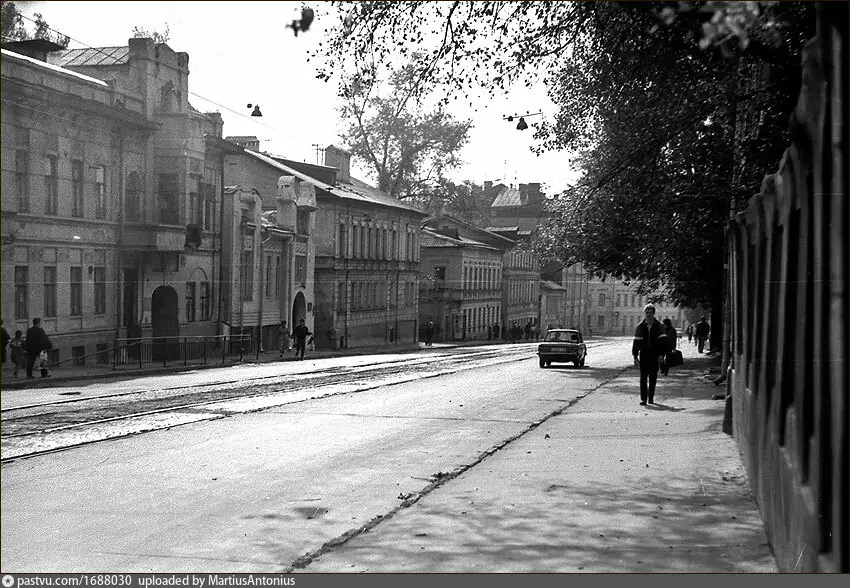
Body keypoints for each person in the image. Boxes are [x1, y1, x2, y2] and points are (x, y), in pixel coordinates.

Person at [632, 304, 668, 405]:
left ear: (653, 313)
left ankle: (651, 398)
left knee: (653, 377)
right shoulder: (640, 326)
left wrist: (662, 355)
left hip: (655, 355)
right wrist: (635, 356)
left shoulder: (659, 326)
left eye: (650, 313)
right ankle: (643, 399)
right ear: (645, 313)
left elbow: (663, 342)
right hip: (644, 355)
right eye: (647, 313)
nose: (648, 315)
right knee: (643, 377)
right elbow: (636, 342)